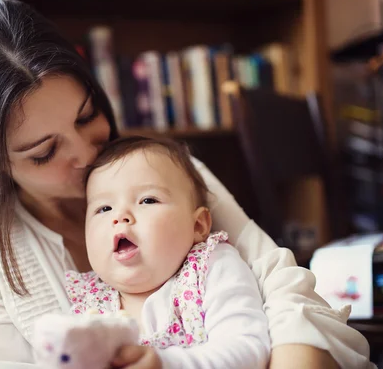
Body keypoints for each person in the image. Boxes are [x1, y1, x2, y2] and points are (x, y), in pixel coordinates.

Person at [0, 0, 373, 369]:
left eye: (87, 116)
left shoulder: (167, 177)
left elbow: (285, 294)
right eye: (44, 151)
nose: (85, 153)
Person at [62, 136, 270, 368]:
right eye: (104, 208)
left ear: (198, 226)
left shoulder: (210, 267)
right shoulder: (88, 301)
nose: (119, 216)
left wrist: (166, 364)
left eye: (148, 200)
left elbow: (248, 348)